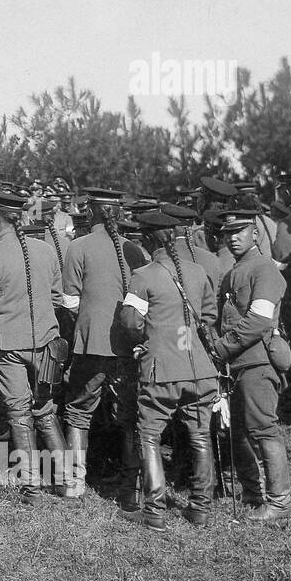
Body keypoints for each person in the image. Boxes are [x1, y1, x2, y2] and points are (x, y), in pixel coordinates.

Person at [119, 210, 219, 530]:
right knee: (200, 437)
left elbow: (130, 321)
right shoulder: (198, 271)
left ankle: (155, 511)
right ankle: (200, 509)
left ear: (149, 240)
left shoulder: (144, 275)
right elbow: (207, 317)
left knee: (149, 436)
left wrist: (143, 340)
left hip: (162, 369)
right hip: (200, 368)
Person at [0, 189, 68, 501]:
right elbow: (57, 298)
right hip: (46, 341)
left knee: (19, 411)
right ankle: (68, 481)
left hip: (9, 345)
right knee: (45, 409)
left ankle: (32, 485)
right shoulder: (47, 251)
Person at [60, 190, 148, 497]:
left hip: (90, 343)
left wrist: (84, 322)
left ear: (92, 213)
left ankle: (74, 484)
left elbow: (70, 301)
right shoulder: (134, 250)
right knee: (128, 415)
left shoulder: (78, 246)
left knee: (78, 412)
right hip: (127, 345)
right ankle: (130, 484)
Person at [208, 208, 291, 521]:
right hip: (238, 364)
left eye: (239, 232)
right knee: (239, 431)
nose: (232, 238)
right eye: (228, 233)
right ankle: (253, 494)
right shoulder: (235, 271)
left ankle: (279, 503)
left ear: (255, 234)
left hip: (257, 362)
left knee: (263, 429)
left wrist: (222, 348)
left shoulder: (263, 269)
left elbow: (258, 320)